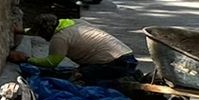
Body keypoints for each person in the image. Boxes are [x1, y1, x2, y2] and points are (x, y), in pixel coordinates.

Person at [10, 13, 139, 84]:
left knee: (82, 76)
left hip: (116, 64)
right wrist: (22, 32)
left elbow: (51, 63)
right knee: (81, 70)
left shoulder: (59, 39)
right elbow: (39, 31)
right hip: (128, 56)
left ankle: (126, 78)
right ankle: (125, 74)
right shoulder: (75, 22)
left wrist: (26, 58)